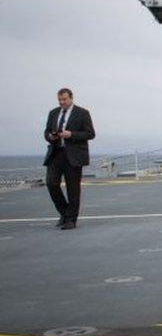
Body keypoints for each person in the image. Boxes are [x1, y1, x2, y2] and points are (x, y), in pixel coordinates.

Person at [42, 88, 95, 230]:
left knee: (73, 188)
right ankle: (65, 213)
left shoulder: (82, 113)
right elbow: (46, 132)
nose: (62, 102)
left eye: (64, 99)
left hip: (73, 155)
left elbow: (90, 134)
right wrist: (50, 136)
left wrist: (71, 134)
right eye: (59, 100)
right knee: (51, 183)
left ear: (71, 98)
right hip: (55, 153)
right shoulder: (53, 113)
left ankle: (71, 220)